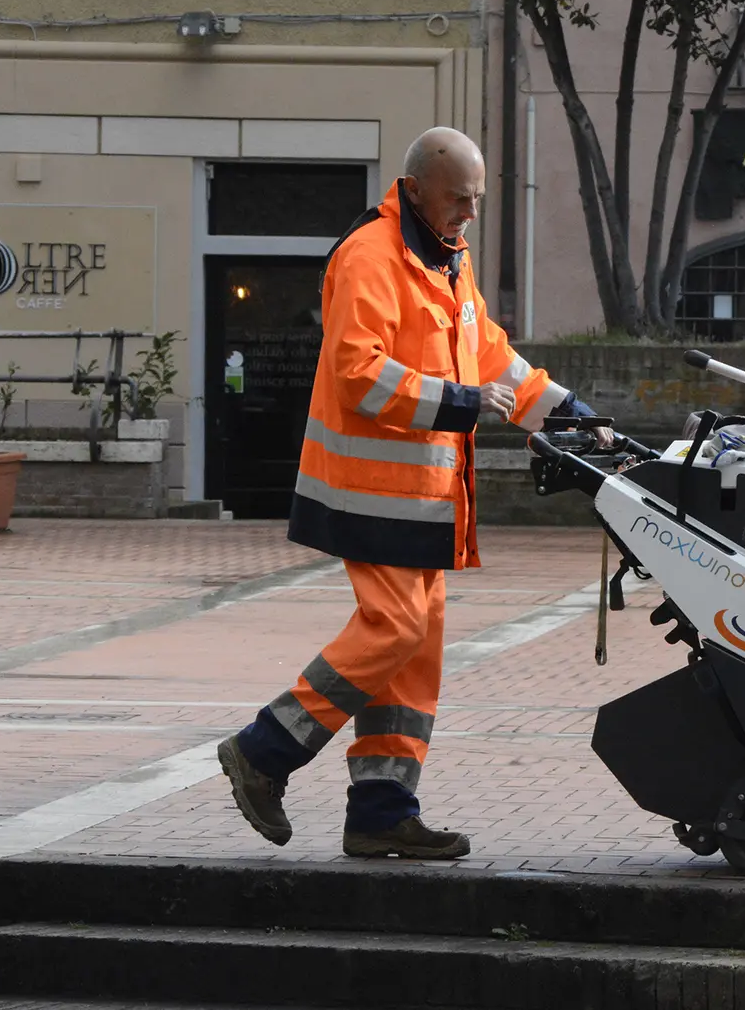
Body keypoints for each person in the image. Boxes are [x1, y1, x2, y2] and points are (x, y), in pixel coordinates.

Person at [217, 126, 614, 860]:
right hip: (366, 491)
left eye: (477, 199)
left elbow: (489, 352)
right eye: (459, 197)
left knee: (414, 650)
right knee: (395, 630)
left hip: (424, 497)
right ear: (419, 187)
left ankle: (381, 807)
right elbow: (356, 373)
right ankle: (263, 750)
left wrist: (562, 408)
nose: (469, 211)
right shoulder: (369, 256)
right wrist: (460, 401)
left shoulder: (445, 261)